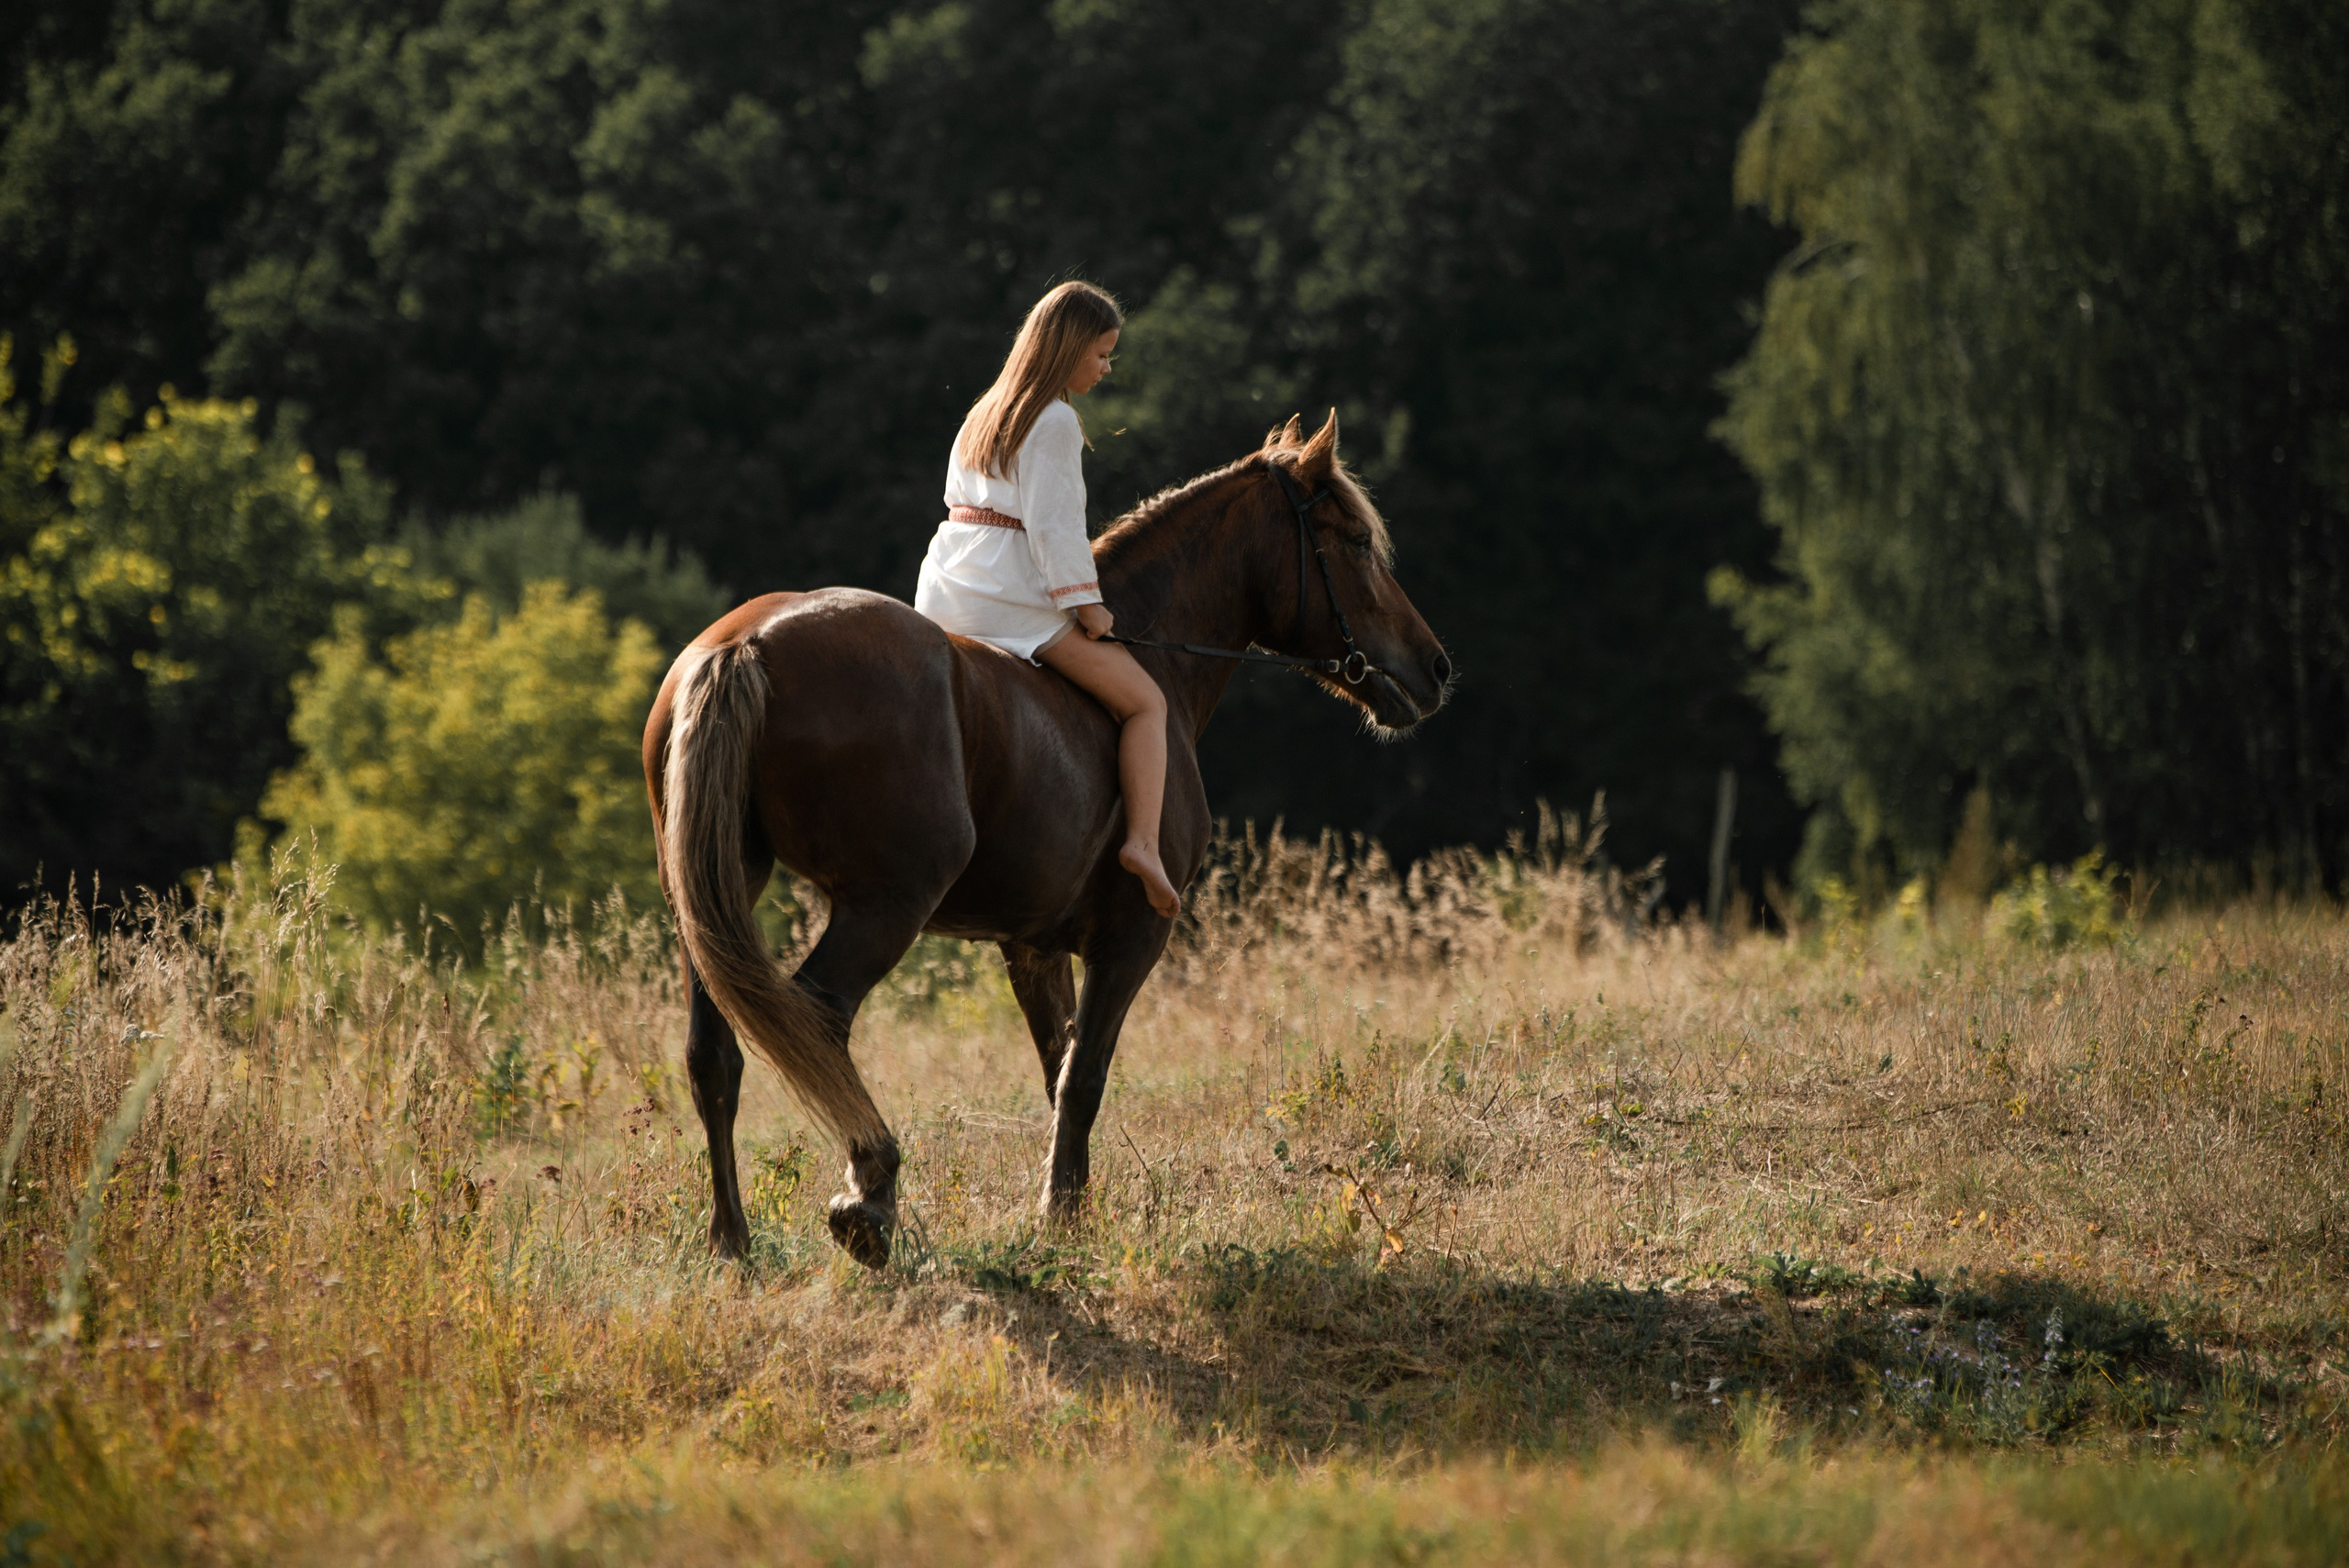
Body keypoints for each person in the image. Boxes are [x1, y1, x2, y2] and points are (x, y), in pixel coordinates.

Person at [915, 281, 1182, 917]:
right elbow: (1055, 527)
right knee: (1148, 702)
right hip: (1009, 596)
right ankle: (1144, 845)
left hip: (948, 586)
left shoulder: (987, 409)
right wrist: (1087, 607)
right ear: (1067, 349)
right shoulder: (1055, 418)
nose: (1106, 367)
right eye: (1101, 353)